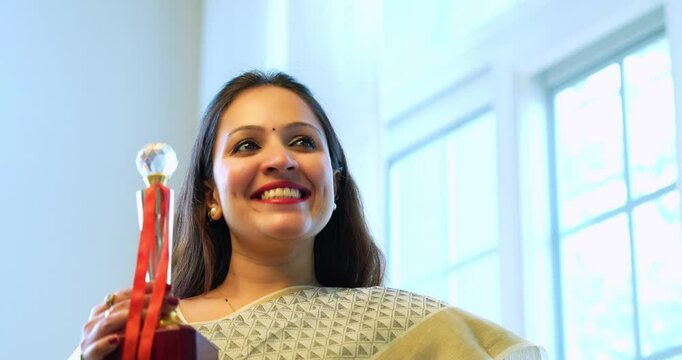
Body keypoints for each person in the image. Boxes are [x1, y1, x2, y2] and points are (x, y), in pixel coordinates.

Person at [73, 70, 547, 359]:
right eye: (247, 145)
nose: (281, 158)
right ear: (210, 196)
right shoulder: (142, 333)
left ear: (334, 184)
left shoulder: (405, 328)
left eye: (303, 141)